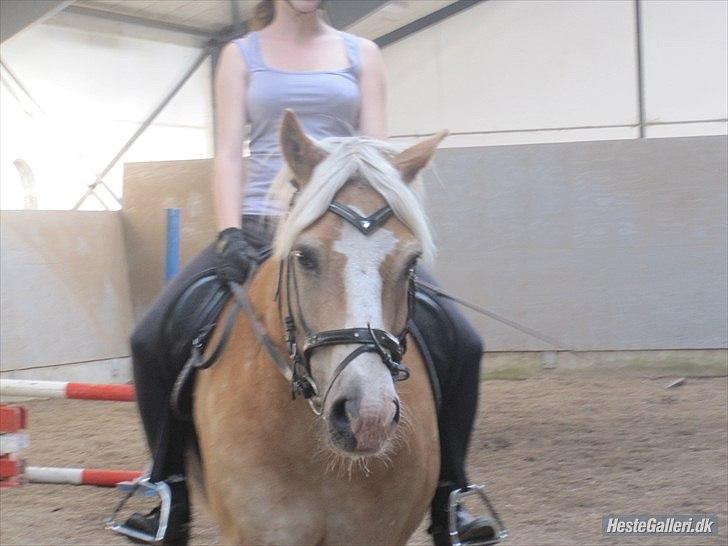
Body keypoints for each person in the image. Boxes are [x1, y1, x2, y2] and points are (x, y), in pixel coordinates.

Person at [120, 1, 495, 545]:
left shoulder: (361, 53)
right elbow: (229, 152)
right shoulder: (239, 55)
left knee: (462, 341)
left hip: (350, 229)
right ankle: (166, 493)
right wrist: (228, 231)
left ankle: (451, 499)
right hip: (258, 224)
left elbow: (376, 154)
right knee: (151, 337)